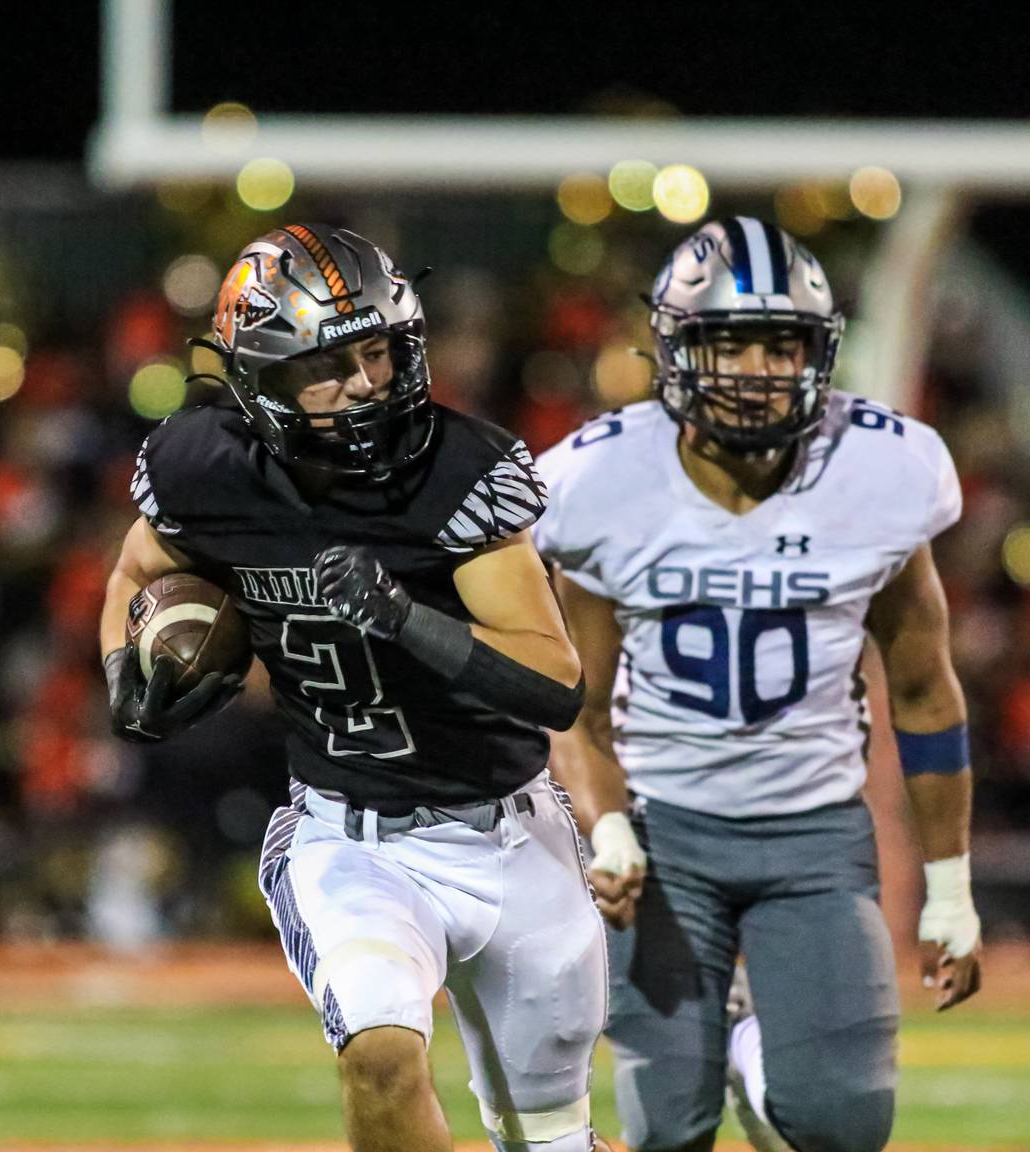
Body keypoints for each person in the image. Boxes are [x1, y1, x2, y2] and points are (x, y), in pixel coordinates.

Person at [98, 224, 609, 1152]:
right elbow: (137, 570)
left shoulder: (459, 469)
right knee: (379, 1052)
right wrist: (121, 671)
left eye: (378, 351)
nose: (366, 382)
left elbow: (553, 680)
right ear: (257, 376)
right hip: (351, 834)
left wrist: (408, 618)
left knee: (552, 1142)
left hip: (508, 831)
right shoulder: (203, 465)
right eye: (327, 365)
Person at [534, 217, 984, 1152]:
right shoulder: (599, 480)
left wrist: (948, 887)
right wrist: (607, 825)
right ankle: (733, 1044)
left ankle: (759, 1054)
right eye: (726, 342)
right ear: (675, 353)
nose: (753, 369)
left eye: (780, 345)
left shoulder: (881, 472)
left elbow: (926, 692)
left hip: (814, 835)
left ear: (817, 354)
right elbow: (573, 702)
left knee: (844, 1127)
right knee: (669, 1134)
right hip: (665, 836)